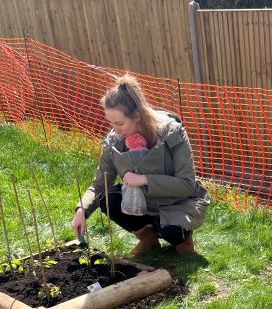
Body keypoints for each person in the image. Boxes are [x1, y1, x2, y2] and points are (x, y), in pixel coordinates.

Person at [71, 74, 208, 256]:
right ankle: (148, 239)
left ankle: (183, 238)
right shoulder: (114, 141)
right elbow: (100, 183)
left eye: (119, 123)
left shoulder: (172, 133)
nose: (114, 129)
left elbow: (186, 184)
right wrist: (82, 210)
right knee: (108, 200)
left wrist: (144, 179)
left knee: (172, 233)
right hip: (142, 202)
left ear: (137, 115)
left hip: (178, 202)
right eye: (110, 123)